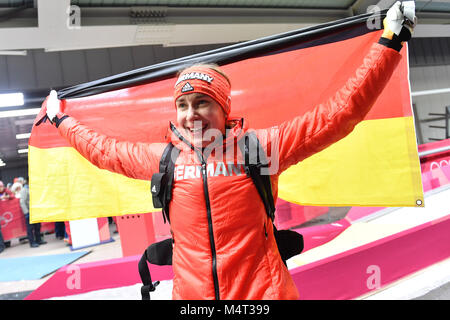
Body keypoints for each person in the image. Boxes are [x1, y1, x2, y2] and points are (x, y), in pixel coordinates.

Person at [43, 3, 416, 299]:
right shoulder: (165, 159)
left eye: (202, 103)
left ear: (224, 109)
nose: (191, 114)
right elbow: (103, 150)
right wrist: (61, 120)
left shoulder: (260, 150)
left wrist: (389, 43)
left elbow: (339, 113)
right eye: (184, 104)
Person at [19, 178, 47, 248]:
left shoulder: (33, 188)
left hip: (36, 211)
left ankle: (39, 240)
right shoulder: (24, 190)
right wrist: (26, 212)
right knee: (30, 228)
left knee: (38, 226)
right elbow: (22, 202)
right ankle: (32, 242)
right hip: (29, 211)